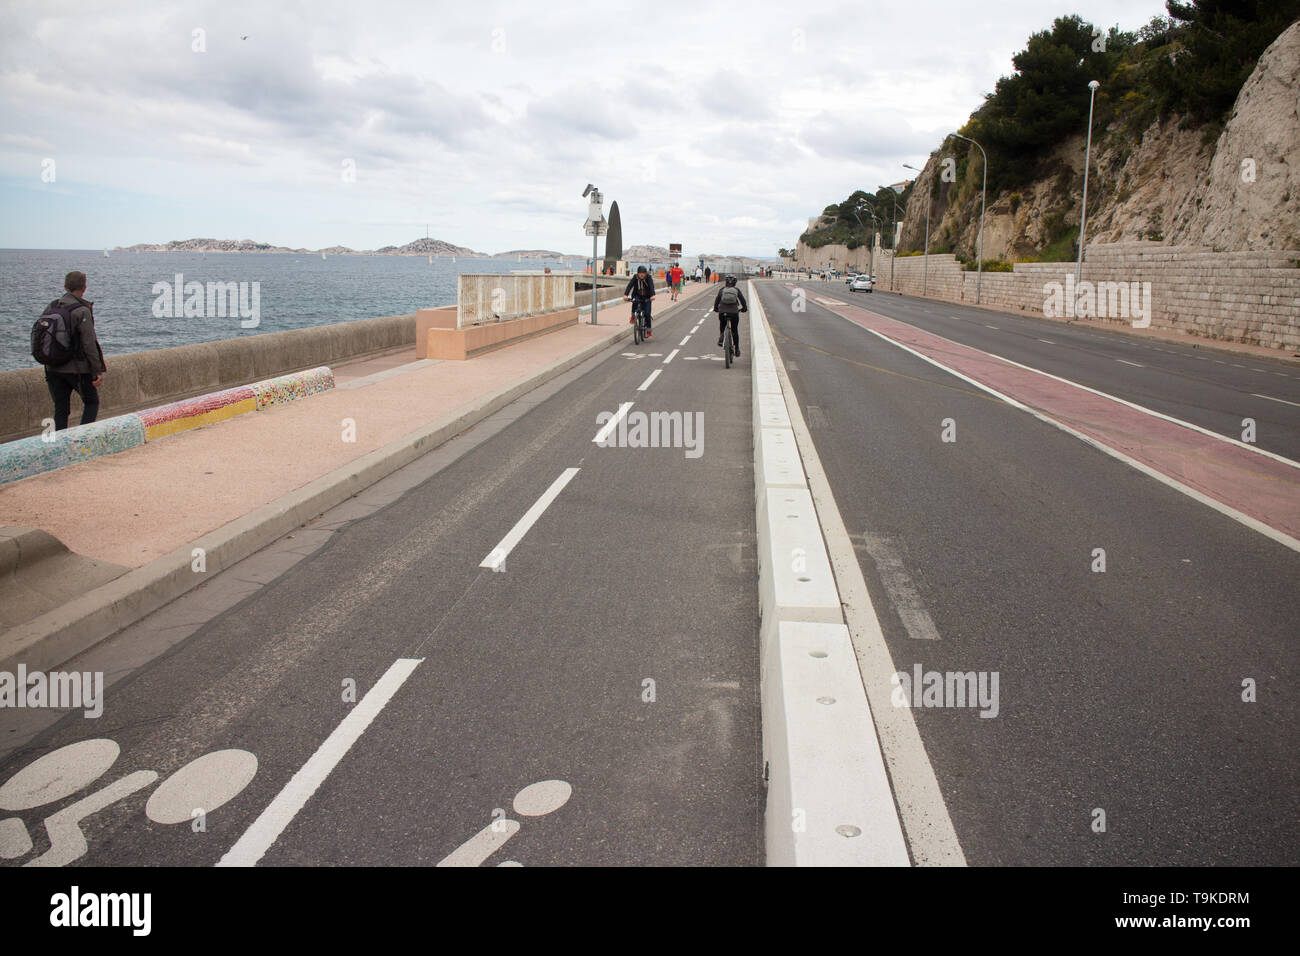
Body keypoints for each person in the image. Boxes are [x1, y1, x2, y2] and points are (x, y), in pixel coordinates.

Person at [44, 270, 106, 431]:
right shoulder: (82, 310)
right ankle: (81, 441)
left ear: (65, 286)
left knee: (61, 409)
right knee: (92, 402)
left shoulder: (51, 306)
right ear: (84, 288)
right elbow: (89, 344)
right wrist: (96, 371)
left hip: (52, 367)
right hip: (76, 369)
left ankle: (60, 445)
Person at [712, 275, 747, 357]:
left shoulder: (722, 290)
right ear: (735, 283)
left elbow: (717, 301)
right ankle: (737, 348)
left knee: (722, 324)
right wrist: (744, 308)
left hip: (722, 312)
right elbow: (743, 301)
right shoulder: (736, 290)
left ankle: (721, 336)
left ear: (726, 282)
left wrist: (716, 309)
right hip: (734, 312)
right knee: (734, 330)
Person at [623, 265, 656, 339]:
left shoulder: (648, 278)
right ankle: (633, 316)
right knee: (634, 302)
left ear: (645, 273)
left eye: (643, 273)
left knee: (647, 313)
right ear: (637, 273)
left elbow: (651, 286)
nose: (641, 274)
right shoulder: (635, 277)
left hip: (647, 297)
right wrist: (626, 294)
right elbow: (630, 285)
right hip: (637, 295)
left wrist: (652, 295)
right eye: (640, 273)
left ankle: (649, 331)